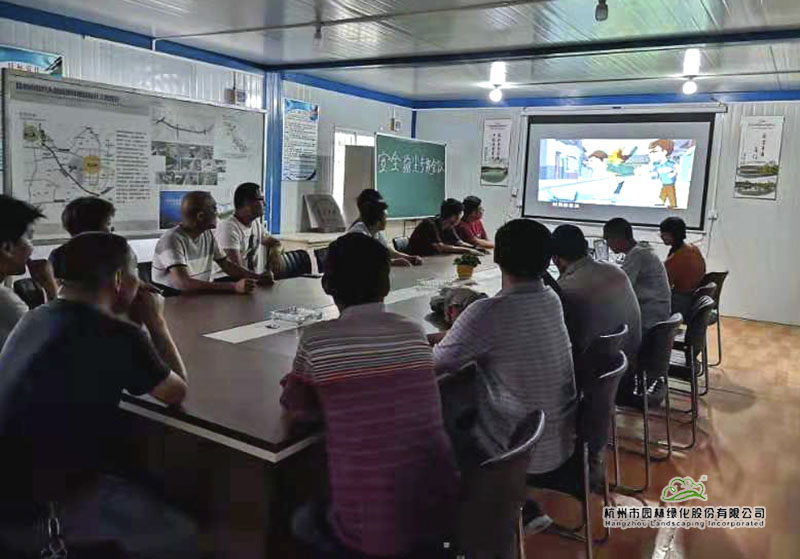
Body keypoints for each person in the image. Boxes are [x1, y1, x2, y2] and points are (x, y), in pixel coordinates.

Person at [0, 232, 196, 557]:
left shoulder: (35, 317)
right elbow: (175, 391)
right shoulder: (117, 333)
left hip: (11, 485)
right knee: (187, 537)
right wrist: (156, 322)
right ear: (119, 279)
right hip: (43, 509)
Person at [281, 233, 457, 557]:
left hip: (371, 534)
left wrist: (308, 383)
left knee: (299, 520)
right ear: (386, 285)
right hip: (440, 516)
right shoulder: (413, 331)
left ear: (327, 285)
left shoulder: (317, 339)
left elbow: (297, 411)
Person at [432, 219, 576, 535]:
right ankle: (519, 502)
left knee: (445, 407)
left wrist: (437, 335)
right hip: (559, 439)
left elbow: (435, 364)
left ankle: (482, 506)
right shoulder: (550, 299)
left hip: (518, 453)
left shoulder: (488, 312)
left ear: (497, 257)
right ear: (548, 260)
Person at [552, 224, 642, 364]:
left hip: (600, 372)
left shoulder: (566, 289)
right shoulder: (615, 270)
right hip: (627, 364)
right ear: (586, 247)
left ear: (555, 259)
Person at [152, 191, 266, 294]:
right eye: (214, 209)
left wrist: (258, 277)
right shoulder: (171, 240)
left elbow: (226, 265)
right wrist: (234, 287)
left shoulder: (207, 234)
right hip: (173, 300)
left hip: (197, 296)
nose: (217, 213)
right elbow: (183, 283)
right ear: (201, 216)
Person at [0, 195, 57, 349]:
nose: (32, 248)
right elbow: (53, 346)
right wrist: (51, 289)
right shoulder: (5, 303)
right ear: (7, 248)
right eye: (29, 238)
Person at [603, 217, 671, 333]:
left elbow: (620, 288)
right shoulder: (641, 250)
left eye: (608, 239)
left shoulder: (637, 254)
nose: (607, 244)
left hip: (649, 320)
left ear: (619, 238)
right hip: (657, 313)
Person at [214, 182, 282, 281]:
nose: (265, 204)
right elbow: (236, 270)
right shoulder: (228, 227)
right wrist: (259, 278)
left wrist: (275, 253)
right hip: (228, 281)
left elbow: (275, 242)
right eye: (261, 199)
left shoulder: (255, 223)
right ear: (247, 203)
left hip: (250, 279)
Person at [348, 189, 422, 266]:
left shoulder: (375, 231)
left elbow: (387, 250)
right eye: (385, 217)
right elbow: (362, 260)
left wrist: (408, 257)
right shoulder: (358, 233)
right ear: (378, 220)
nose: (386, 220)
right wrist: (392, 262)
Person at [659, 216, 706, 320]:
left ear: (674, 234)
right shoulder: (694, 249)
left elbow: (663, 289)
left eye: (664, 233)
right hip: (695, 300)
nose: (661, 236)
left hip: (681, 304)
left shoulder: (674, 260)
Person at [407, 198, 485, 256]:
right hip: (418, 259)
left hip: (433, 259)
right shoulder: (429, 224)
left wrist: (474, 248)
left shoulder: (449, 226)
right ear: (453, 216)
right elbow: (440, 247)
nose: (460, 218)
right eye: (460, 214)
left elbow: (458, 242)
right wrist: (468, 251)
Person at [648, 140, 678, 208]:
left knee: (671, 193)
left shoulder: (669, 163)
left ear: (664, 152)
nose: (652, 154)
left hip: (670, 182)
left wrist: (673, 173)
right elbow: (653, 171)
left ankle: (673, 204)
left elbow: (676, 168)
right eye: (650, 152)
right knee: (663, 191)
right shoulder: (656, 164)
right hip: (664, 182)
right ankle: (661, 201)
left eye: (655, 151)